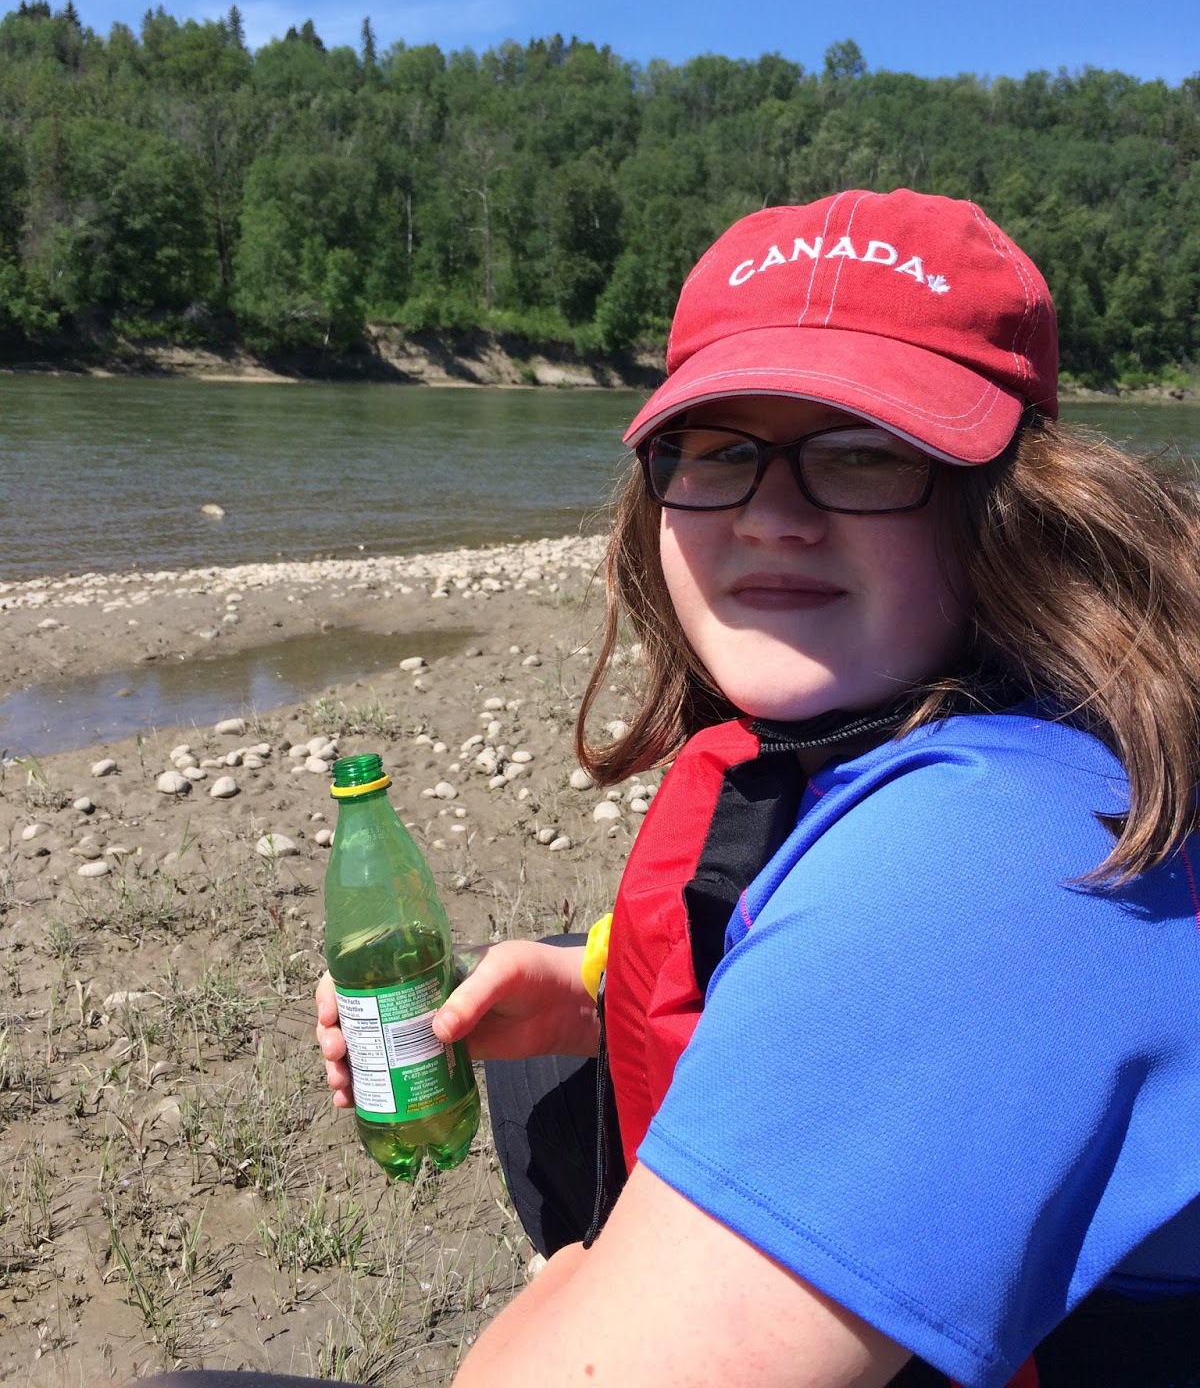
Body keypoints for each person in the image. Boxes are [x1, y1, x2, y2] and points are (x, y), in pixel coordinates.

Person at [312, 188, 1200, 1388]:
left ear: (1009, 501)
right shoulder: (964, 708)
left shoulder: (1000, 857)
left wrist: (581, 1275)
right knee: (537, 1070)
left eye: (864, 455)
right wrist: (588, 985)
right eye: (720, 452)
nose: (774, 517)